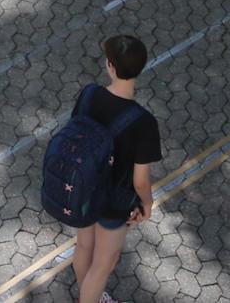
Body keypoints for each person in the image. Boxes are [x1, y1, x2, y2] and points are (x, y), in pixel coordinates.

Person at [61, 35, 162, 303]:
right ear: (140, 69)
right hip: (114, 202)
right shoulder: (144, 122)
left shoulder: (89, 94)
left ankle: (90, 295)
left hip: (85, 187)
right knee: (104, 263)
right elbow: (140, 180)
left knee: (84, 247)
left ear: (110, 66)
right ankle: (92, 298)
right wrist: (148, 205)